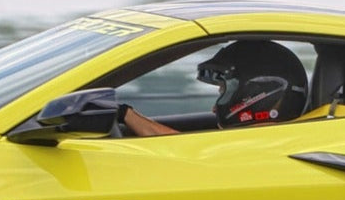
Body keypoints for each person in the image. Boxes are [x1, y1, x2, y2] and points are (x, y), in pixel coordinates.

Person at [122, 40, 314, 137]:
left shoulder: (265, 143)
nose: (214, 108)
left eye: (224, 91)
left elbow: (180, 152)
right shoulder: (267, 138)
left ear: (256, 94)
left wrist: (124, 114)